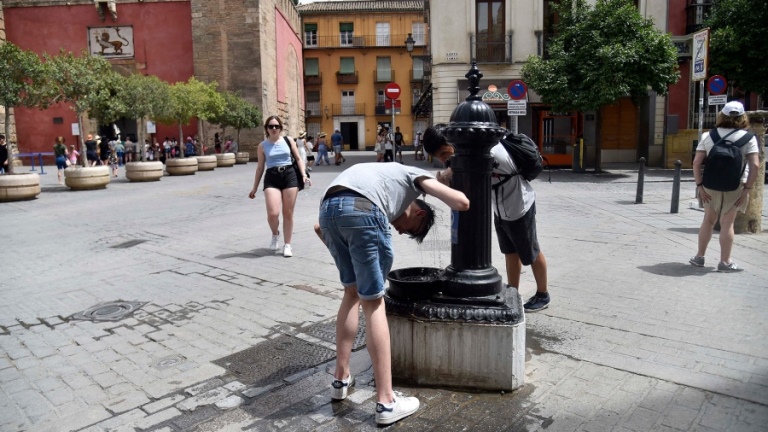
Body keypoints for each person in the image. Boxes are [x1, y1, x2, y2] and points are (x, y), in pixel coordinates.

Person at [316, 162, 469, 426]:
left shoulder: (384, 177)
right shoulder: (411, 175)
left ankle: (340, 380)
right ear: (419, 212)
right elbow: (461, 203)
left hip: (327, 210)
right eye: (410, 230)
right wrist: (464, 192)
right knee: (374, 304)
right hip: (362, 210)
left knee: (351, 293)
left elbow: (320, 229)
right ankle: (386, 402)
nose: (400, 231)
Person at [423, 125, 551, 312]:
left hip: (519, 205)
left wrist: (447, 175)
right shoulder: (468, 153)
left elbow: (473, 166)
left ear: (453, 142)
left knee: (530, 251)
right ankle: (513, 292)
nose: (443, 160)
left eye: (444, 153)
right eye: (439, 157)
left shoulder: (489, 150)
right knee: (510, 250)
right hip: (500, 208)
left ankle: (543, 294)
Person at [690, 101, 759, 272]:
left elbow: (697, 162)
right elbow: (755, 166)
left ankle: (699, 257)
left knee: (708, 220)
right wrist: (747, 190)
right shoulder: (749, 138)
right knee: (727, 223)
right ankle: (725, 262)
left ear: (722, 115)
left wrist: (700, 186)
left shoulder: (709, 136)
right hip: (735, 186)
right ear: (743, 117)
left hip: (710, 185)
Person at [248, 116, 309, 258]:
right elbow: (260, 167)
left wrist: (304, 174)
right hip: (272, 177)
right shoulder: (262, 146)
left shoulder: (289, 141)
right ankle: (275, 234)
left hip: (290, 175)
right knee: (273, 213)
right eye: (271, 126)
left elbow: (298, 159)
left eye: (277, 126)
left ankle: (287, 245)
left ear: (281, 128)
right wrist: (254, 188)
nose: (274, 129)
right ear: (266, 129)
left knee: (288, 213)